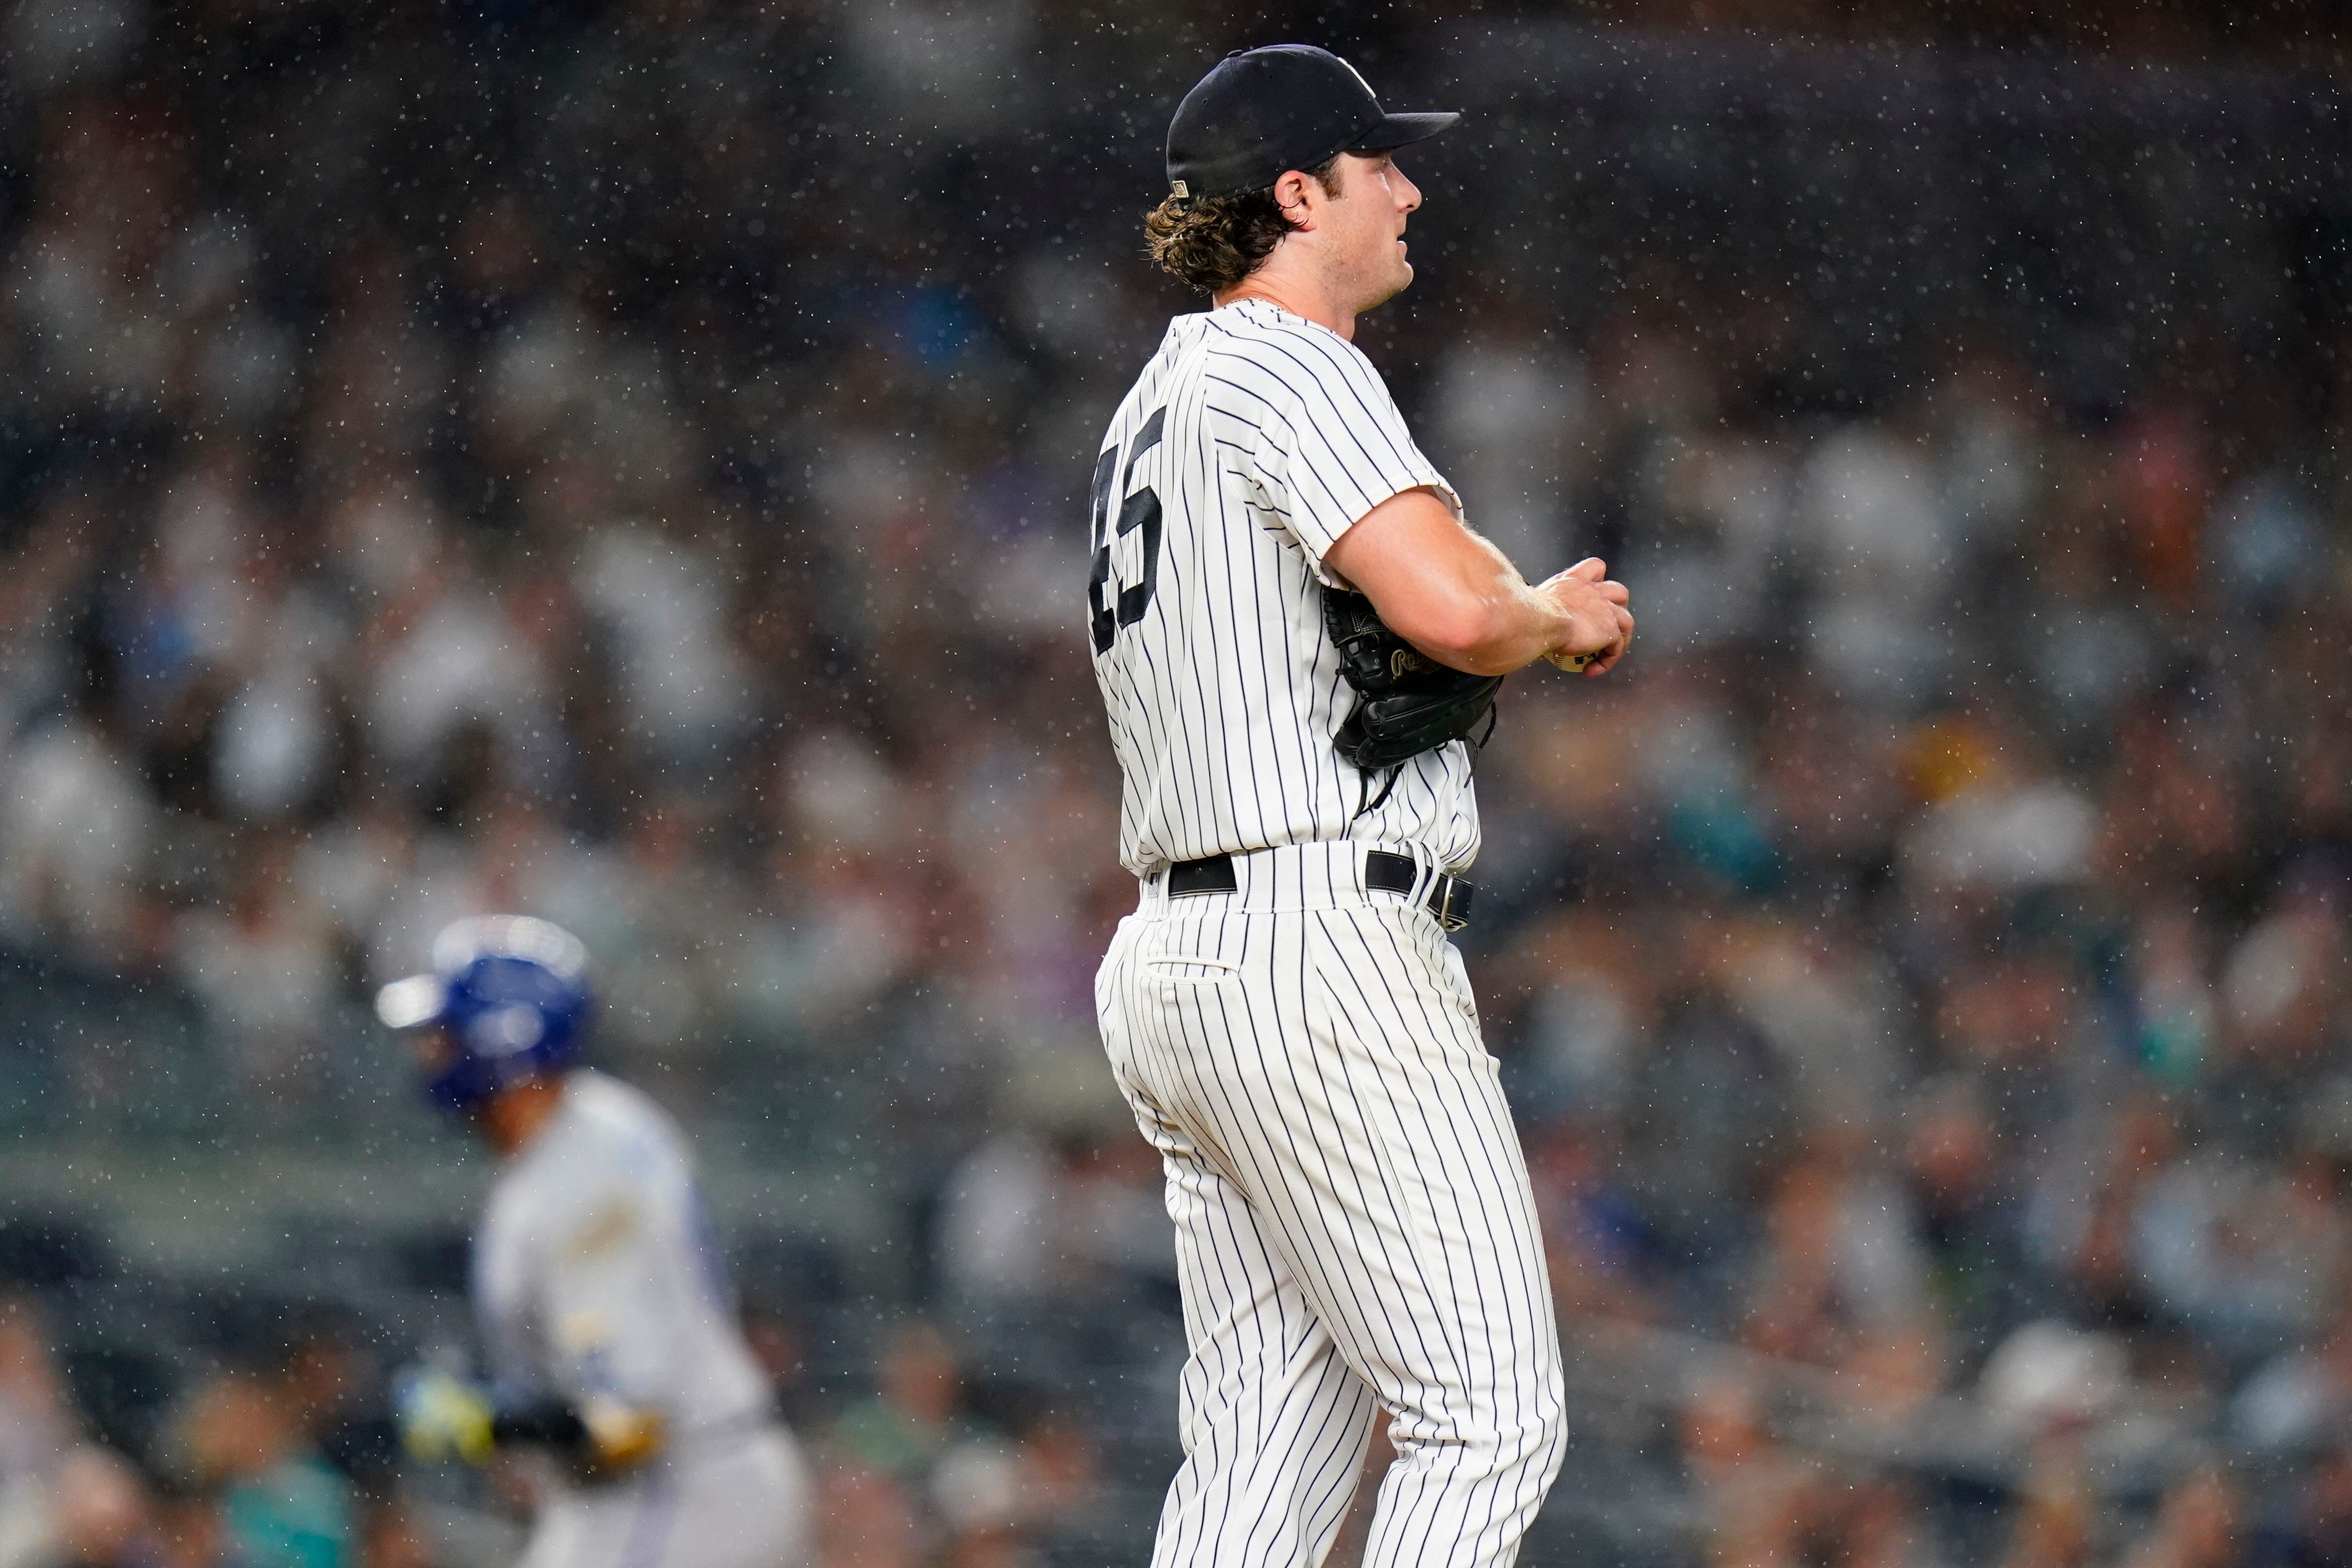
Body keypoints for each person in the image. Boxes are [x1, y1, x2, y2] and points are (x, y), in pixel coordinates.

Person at [1087, 43, 1634, 1568]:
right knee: (1487, 1416)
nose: (1409, 187)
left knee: (1269, 1439)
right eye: (1377, 164)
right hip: (1315, 938)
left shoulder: (1156, 397)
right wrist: (1549, 615)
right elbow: (1453, 613)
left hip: (1184, 959)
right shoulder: (1282, 358)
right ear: (1295, 193)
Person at [376, 916, 810, 1568]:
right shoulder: (592, 1123)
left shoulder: (579, 1188)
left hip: (679, 1494)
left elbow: (631, 1424)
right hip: (676, 1485)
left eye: (448, 1034)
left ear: (502, 1044)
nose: (431, 1050)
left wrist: (486, 1420)